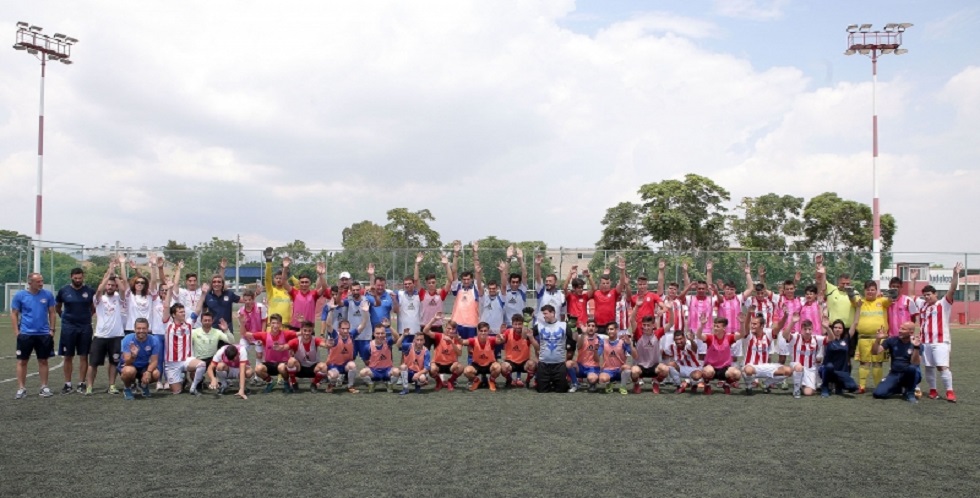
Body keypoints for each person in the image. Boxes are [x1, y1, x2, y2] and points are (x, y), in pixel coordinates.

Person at [917, 262, 962, 403]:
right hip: (925, 342)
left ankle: (949, 392)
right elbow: (912, 295)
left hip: (940, 341)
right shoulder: (922, 304)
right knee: (929, 367)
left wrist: (955, 274)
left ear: (935, 294)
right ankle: (933, 391)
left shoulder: (943, 303)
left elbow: (952, 289)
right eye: (925, 295)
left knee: (942, 367)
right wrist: (912, 280)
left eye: (929, 295)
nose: (927, 297)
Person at [162, 261, 208, 395]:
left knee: (201, 365)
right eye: (180, 312)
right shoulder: (167, 324)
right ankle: (182, 381)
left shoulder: (189, 323)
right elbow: (166, 307)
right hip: (172, 363)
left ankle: (193, 387)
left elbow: (198, 310)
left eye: (183, 311)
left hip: (186, 360)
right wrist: (169, 289)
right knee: (177, 392)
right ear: (174, 314)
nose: (183, 313)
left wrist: (203, 294)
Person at [10, 272, 57, 399]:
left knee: (43, 360)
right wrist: (17, 332)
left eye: (42, 281)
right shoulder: (20, 295)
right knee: (22, 361)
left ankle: (44, 387)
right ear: (30, 283)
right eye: (38, 281)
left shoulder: (47, 295)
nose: (41, 283)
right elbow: (14, 313)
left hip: (43, 334)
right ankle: (21, 388)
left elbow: (52, 312)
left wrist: (52, 329)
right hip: (25, 334)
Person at [86, 262, 125, 395]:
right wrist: (109, 273)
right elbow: (98, 290)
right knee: (93, 363)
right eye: (108, 285)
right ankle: (89, 386)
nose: (110, 287)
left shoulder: (119, 298)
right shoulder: (99, 298)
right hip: (100, 336)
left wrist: (115, 276)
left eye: (113, 285)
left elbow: (123, 289)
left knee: (114, 362)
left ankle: (112, 385)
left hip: (116, 336)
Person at [56, 267, 96, 394]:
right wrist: (64, 316)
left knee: (83, 355)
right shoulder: (63, 290)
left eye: (80, 278)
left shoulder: (89, 291)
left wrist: (86, 317)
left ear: (83, 277)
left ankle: (81, 383)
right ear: (71, 277)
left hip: (85, 327)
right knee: (68, 356)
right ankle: (67, 384)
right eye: (75, 278)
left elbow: (93, 308)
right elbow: (58, 307)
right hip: (69, 327)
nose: (78, 280)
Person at [740, 305, 793, 394]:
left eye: (755, 324)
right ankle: (749, 386)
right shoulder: (748, 335)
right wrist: (749, 313)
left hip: (765, 367)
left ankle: (766, 383)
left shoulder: (768, 334)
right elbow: (746, 326)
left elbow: (778, 327)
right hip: (750, 366)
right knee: (748, 370)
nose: (752, 326)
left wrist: (785, 316)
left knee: (788, 371)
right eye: (752, 323)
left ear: (762, 326)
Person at [852, 280, 891, 393]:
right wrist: (850, 292)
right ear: (864, 291)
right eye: (868, 289)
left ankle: (878, 386)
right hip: (863, 338)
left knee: (877, 363)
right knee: (864, 362)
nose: (870, 292)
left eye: (872, 289)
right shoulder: (860, 302)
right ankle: (862, 386)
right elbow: (851, 299)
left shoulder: (882, 301)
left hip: (879, 338)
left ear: (876, 291)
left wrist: (891, 294)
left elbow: (890, 300)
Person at [323, 302, 370, 394]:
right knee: (333, 375)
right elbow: (328, 324)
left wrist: (365, 312)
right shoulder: (335, 335)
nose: (345, 330)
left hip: (345, 365)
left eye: (347, 328)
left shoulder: (351, 335)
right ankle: (331, 385)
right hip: (334, 365)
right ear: (339, 329)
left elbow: (363, 325)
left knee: (352, 365)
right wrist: (331, 311)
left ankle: (350, 386)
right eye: (343, 328)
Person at [243, 314, 297, 393]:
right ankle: (270, 382)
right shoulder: (264, 335)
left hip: (283, 363)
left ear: (281, 324)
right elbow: (245, 334)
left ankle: (286, 382)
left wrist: (291, 347)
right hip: (270, 364)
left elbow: (302, 334)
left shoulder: (286, 334)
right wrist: (242, 323)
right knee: (258, 369)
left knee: (281, 367)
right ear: (270, 324)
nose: (275, 325)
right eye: (273, 323)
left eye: (278, 323)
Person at [871, 322, 922, 404]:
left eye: (903, 329)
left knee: (912, 368)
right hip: (894, 374)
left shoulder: (916, 343)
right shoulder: (892, 340)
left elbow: (915, 363)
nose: (899, 330)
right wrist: (878, 340)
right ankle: (900, 389)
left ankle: (910, 392)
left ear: (911, 332)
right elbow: (875, 352)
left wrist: (916, 347)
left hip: (909, 374)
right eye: (900, 328)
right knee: (878, 394)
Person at [694, 315, 744, 395]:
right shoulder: (710, 338)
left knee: (737, 374)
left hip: (724, 368)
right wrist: (702, 325)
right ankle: (707, 384)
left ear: (724, 328)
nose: (715, 328)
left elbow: (742, 335)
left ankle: (726, 384)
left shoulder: (729, 338)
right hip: (711, 367)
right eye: (714, 326)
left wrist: (741, 323)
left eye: (717, 326)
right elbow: (699, 336)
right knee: (708, 371)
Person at [118, 318, 162, 400]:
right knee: (128, 371)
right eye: (138, 328)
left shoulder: (154, 340)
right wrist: (133, 356)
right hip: (131, 365)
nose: (141, 331)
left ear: (148, 329)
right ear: (134, 329)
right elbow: (127, 362)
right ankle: (127, 388)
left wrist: (148, 372)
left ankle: (143, 385)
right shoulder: (127, 339)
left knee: (156, 374)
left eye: (144, 328)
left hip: (144, 367)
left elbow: (154, 361)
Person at [780, 313, 822, 399]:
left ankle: (801, 385)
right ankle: (796, 390)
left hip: (810, 369)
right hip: (796, 365)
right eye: (805, 329)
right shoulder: (796, 337)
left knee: (808, 393)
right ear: (801, 329)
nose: (807, 331)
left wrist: (827, 327)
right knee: (799, 367)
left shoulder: (816, 338)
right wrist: (792, 322)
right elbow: (784, 335)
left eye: (809, 329)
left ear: (812, 329)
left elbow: (831, 339)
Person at [531, 304, 569, 393]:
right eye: (543, 314)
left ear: (553, 313)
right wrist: (526, 323)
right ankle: (547, 381)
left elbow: (573, 340)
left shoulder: (564, 325)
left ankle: (558, 381)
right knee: (541, 390)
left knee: (562, 390)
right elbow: (525, 336)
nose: (544, 316)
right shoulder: (539, 326)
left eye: (546, 314)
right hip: (544, 364)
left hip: (559, 364)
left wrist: (575, 329)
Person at [818, 312, 859, 397]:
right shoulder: (828, 338)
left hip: (841, 371)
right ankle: (825, 386)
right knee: (829, 366)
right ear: (832, 328)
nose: (837, 329)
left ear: (843, 330)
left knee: (853, 387)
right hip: (828, 370)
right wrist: (826, 326)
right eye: (835, 327)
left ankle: (839, 385)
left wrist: (858, 308)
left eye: (840, 328)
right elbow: (828, 334)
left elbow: (855, 323)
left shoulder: (846, 338)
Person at [421, 313, 464, 391]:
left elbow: (459, 353)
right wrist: (433, 320)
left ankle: (450, 381)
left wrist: (451, 342)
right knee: (431, 368)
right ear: (445, 328)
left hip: (451, 365)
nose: (450, 331)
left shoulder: (458, 339)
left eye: (453, 329)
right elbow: (425, 331)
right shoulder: (439, 336)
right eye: (449, 328)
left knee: (460, 367)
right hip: (438, 364)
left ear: (455, 330)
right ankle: (439, 382)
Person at [283, 261, 330, 330]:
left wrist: (321, 275)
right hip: (295, 327)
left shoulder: (314, 294)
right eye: (302, 282)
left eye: (306, 282)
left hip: (309, 328)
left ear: (310, 283)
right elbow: (284, 282)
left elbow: (324, 287)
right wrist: (285, 268)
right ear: (299, 283)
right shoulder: (294, 293)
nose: (304, 284)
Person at [630, 314, 670, 394]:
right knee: (634, 371)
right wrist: (637, 306)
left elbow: (671, 323)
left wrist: (671, 309)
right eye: (644, 325)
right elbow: (631, 320)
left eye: (648, 325)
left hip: (653, 366)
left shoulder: (657, 333)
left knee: (666, 369)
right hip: (640, 367)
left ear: (653, 326)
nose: (646, 327)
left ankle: (656, 382)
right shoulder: (638, 333)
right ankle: (636, 384)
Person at [284, 321, 330, 392]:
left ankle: (314, 384)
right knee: (291, 361)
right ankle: (294, 383)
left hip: (313, 368)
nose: (307, 333)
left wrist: (328, 344)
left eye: (309, 331)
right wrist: (278, 346)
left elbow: (324, 344)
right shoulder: (296, 341)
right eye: (305, 330)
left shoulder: (315, 340)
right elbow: (284, 347)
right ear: (301, 330)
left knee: (324, 367)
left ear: (312, 331)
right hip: (300, 368)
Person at [358, 324, 403, 393]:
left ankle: (389, 384)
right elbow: (366, 360)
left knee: (397, 372)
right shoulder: (368, 346)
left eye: (382, 333)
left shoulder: (388, 342)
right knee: (362, 373)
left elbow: (397, 337)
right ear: (373, 334)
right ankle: (371, 384)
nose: (380, 335)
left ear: (385, 334)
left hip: (387, 370)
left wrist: (389, 326)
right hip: (374, 371)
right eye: (378, 333)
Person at [201, 258, 242, 335]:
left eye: (219, 282)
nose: (217, 284)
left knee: (227, 347)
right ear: (211, 284)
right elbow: (203, 311)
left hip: (227, 330)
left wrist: (256, 293)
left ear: (222, 284)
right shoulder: (207, 296)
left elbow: (245, 300)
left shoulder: (229, 294)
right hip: (212, 330)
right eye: (214, 282)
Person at [449, 241, 480, 340]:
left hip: (472, 325)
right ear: (462, 279)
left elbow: (477, 269)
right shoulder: (458, 287)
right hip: (456, 324)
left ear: (472, 279)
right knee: (454, 349)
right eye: (464, 279)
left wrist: (475, 253)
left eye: (468, 279)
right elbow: (454, 271)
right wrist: (455, 255)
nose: (466, 281)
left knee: (472, 350)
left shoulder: (475, 289)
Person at [497, 314, 537, 388]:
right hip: (511, 361)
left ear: (522, 324)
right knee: (503, 367)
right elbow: (500, 341)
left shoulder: (527, 333)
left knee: (532, 364)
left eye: (519, 324)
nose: (517, 326)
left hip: (524, 362)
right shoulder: (508, 332)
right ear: (512, 324)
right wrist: (501, 336)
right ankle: (510, 380)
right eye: (515, 324)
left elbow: (536, 346)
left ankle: (527, 381)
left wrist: (531, 338)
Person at [462, 322, 503, 391]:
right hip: (477, 365)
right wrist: (457, 338)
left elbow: (499, 341)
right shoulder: (473, 340)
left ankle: (491, 381)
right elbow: (463, 342)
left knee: (498, 367)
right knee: (466, 371)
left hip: (489, 364)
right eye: (481, 331)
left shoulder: (491, 339)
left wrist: (501, 337)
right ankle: (476, 380)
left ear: (488, 331)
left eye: (485, 331)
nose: (483, 333)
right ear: (478, 331)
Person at [567, 319, 601, 393]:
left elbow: (597, 359)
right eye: (589, 326)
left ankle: (592, 383)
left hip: (593, 367)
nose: (591, 328)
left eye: (593, 326)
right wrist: (583, 333)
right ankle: (575, 383)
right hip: (580, 367)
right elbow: (579, 346)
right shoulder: (581, 337)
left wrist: (595, 350)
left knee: (592, 379)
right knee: (568, 364)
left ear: (596, 329)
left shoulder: (599, 340)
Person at [597, 324, 632, 394]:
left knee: (627, 368)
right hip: (608, 370)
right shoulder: (603, 342)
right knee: (602, 379)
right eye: (608, 329)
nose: (610, 331)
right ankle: (609, 383)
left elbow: (630, 352)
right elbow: (598, 354)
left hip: (619, 370)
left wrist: (628, 344)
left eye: (612, 329)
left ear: (616, 330)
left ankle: (623, 387)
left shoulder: (622, 342)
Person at [533, 253, 565, 326]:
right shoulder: (541, 292)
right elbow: (538, 279)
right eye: (546, 281)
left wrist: (560, 325)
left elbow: (562, 314)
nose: (547, 283)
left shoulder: (562, 296)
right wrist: (538, 265)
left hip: (555, 327)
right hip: (541, 326)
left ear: (556, 283)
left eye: (550, 281)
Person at [499, 245, 529, 324]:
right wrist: (508, 259)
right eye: (513, 282)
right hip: (507, 323)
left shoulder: (522, 290)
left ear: (519, 283)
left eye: (517, 282)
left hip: (519, 324)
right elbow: (505, 274)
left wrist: (521, 260)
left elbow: (524, 275)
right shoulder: (506, 291)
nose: (515, 284)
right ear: (510, 282)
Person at [264, 256, 294, 329]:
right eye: (276, 278)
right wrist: (268, 262)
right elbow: (267, 279)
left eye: (280, 278)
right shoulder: (271, 290)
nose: (278, 280)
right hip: (272, 327)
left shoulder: (289, 291)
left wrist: (286, 272)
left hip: (286, 327)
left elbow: (298, 285)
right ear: (274, 279)